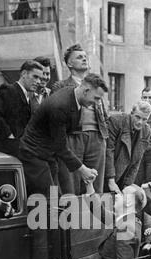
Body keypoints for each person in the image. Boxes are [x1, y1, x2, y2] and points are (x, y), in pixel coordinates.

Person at [19, 73, 108, 197]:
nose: (97, 103)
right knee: (48, 199)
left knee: (56, 198)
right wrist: (83, 170)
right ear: (86, 91)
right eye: (97, 98)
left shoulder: (74, 96)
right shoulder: (60, 105)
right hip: (33, 153)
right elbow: (60, 145)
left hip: (48, 154)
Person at [52, 44, 108, 194]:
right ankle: (72, 216)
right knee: (72, 182)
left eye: (85, 57)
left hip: (97, 137)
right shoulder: (61, 85)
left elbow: (104, 113)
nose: (84, 59)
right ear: (70, 64)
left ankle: (94, 216)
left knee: (95, 185)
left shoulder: (96, 84)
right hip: (73, 137)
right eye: (79, 57)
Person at [0, 60, 43, 158]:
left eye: (40, 79)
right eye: (35, 77)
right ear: (24, 74)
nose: (38, 82)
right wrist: (9, 135)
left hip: (20, 152)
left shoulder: (28, 98)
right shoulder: (8, 89)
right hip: (5, 152)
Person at [105, 101, 151, 194]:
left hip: (124, 175)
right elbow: (108, 152)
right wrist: (111, 180)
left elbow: (137, 161)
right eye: (137, 117)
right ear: (131, 113)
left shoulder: (146, 131)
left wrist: (127, 185)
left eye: (144, 119)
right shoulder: (116, 121)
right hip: (107, 172)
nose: (140, 122)